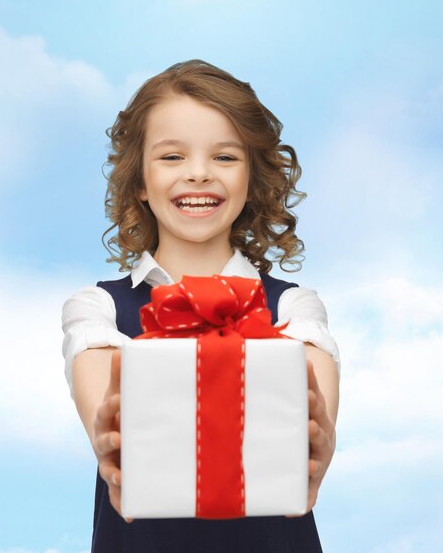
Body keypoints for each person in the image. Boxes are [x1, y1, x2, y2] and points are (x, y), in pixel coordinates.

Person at [61, 59, 340, 553]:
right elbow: (103, 403)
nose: (197, 174)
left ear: (252, 181)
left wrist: (318, 432)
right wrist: (112, 425)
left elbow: (310, 409)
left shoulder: (295, 308)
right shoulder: (97, 308)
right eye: (171, 157)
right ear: (140, 182)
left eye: (225, 158)